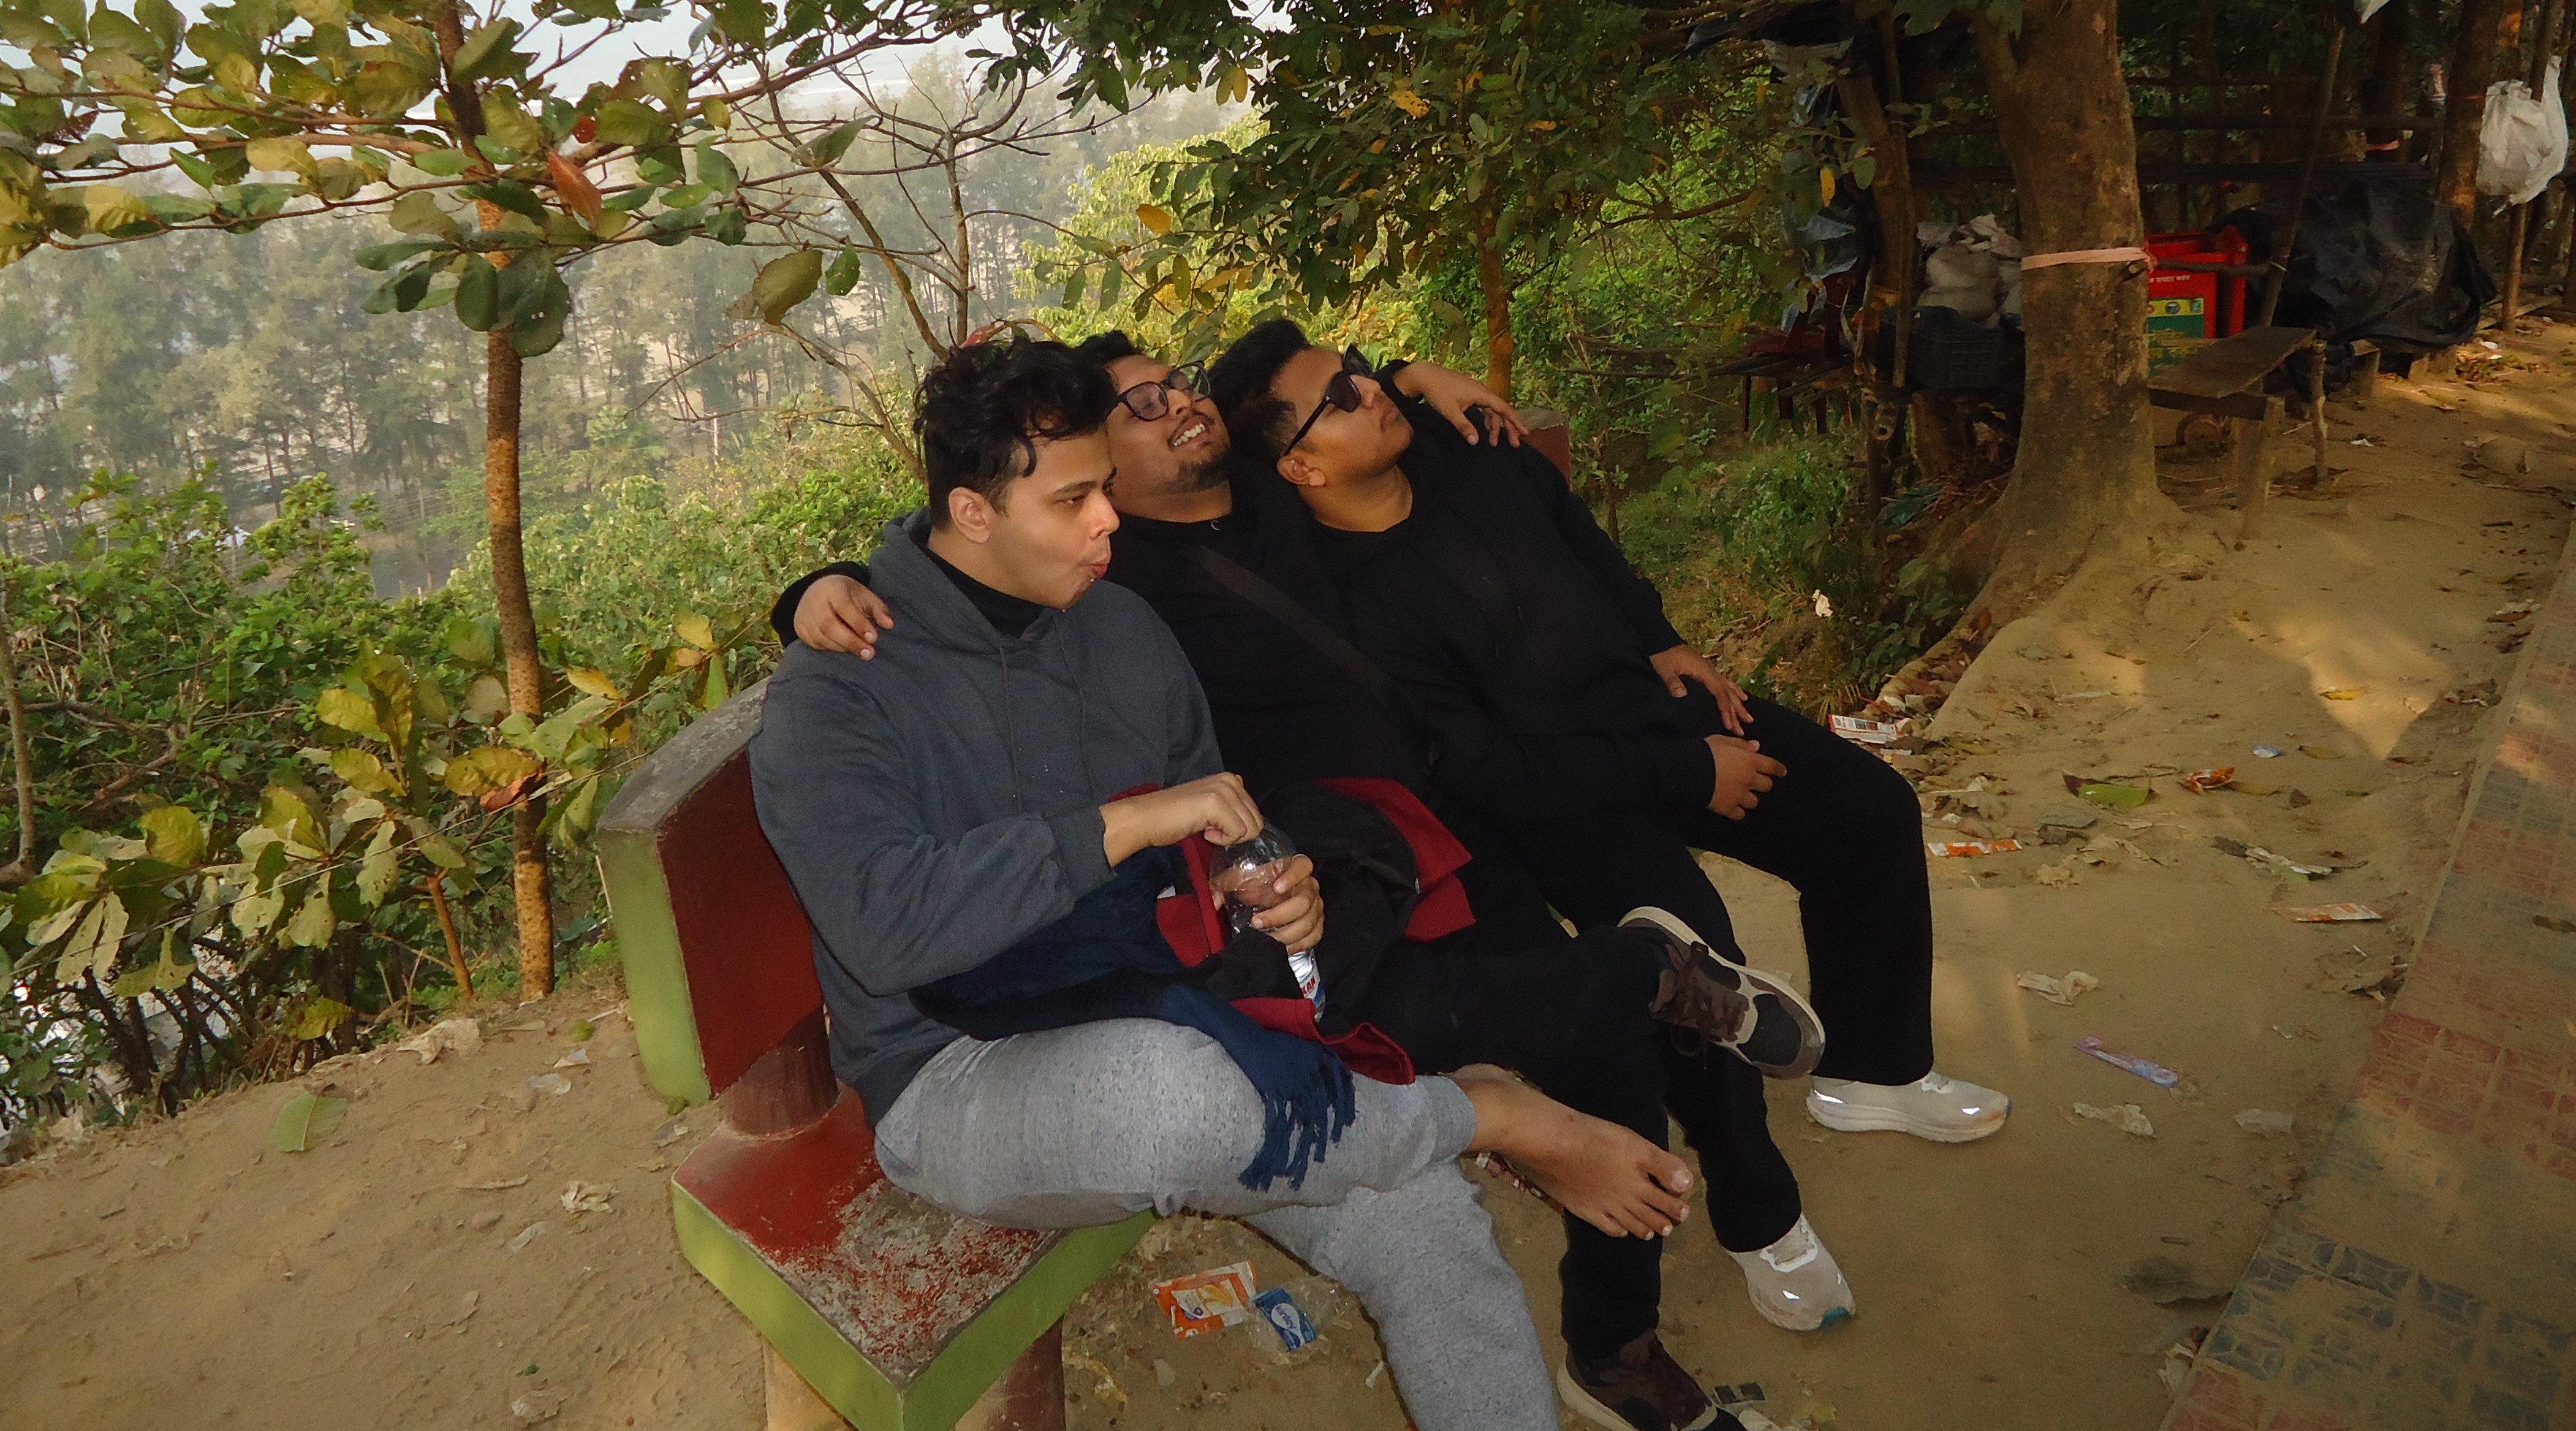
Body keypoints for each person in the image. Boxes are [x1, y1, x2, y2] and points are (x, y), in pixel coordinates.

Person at [781, 339, 1822, 1431]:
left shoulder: (1121, 627)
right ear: (971, 511)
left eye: (1104, 488)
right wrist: (1122, 827)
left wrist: (1269, 884)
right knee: (1180, 1093)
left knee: (1428, 1228)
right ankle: (1494, 1115)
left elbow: (1211, 830)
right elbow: (886, 929)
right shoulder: (843, 685)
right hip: (956, 1066)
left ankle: (1547, 1263)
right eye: (1074, 500)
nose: (1108, 521)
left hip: (1161, 990)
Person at [1208, 321, 2013, 1315]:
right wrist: (1687, 773)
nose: (1370, 392)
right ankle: (1758, 1210)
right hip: (1555, 798)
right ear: (1301, 467)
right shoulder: (1354, 608)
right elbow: (1491, 769)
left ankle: (1875, 1070)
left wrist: (1661, 639)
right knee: (1694, 960)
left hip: (1645, 705)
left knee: (1868, 810)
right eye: (1339, 399)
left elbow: (1579, 535)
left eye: (1361, 373)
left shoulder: (1464, 446)